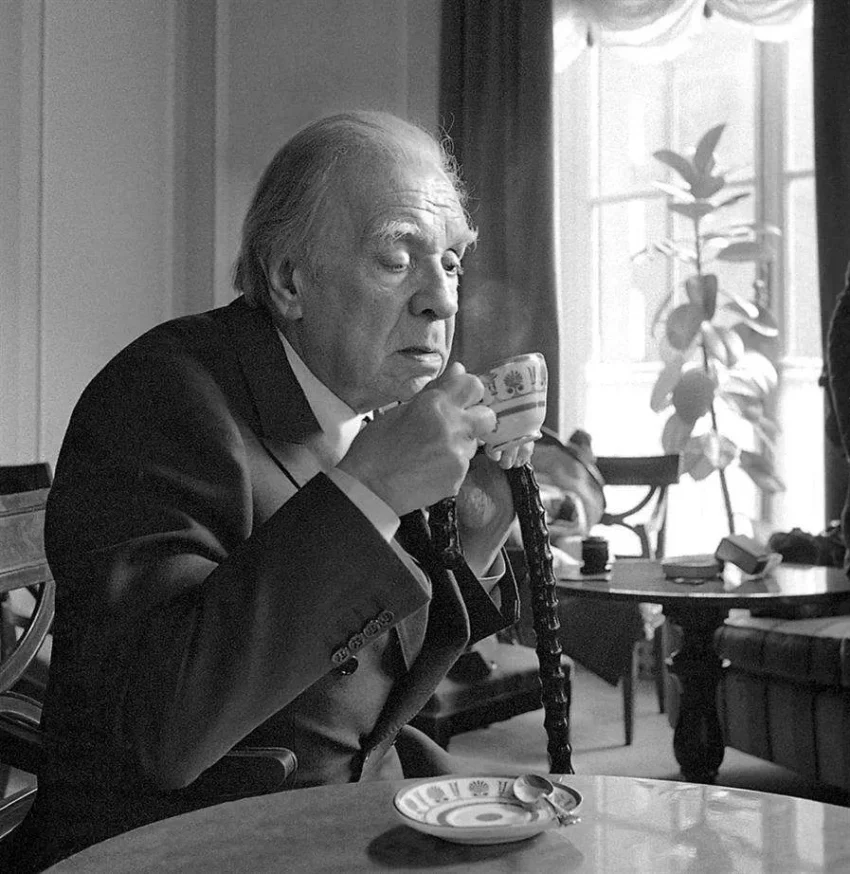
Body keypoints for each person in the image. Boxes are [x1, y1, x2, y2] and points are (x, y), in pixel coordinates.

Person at [6, 110, 534, 871]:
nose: (442, 302)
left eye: (451, 261)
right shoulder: (159, 397)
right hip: (190, 844)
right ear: (290, 279)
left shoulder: (367, 409)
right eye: (397, 258)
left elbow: (369, 695)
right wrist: (371, 490)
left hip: (356, 814)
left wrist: (481, 514)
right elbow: (165, 729)